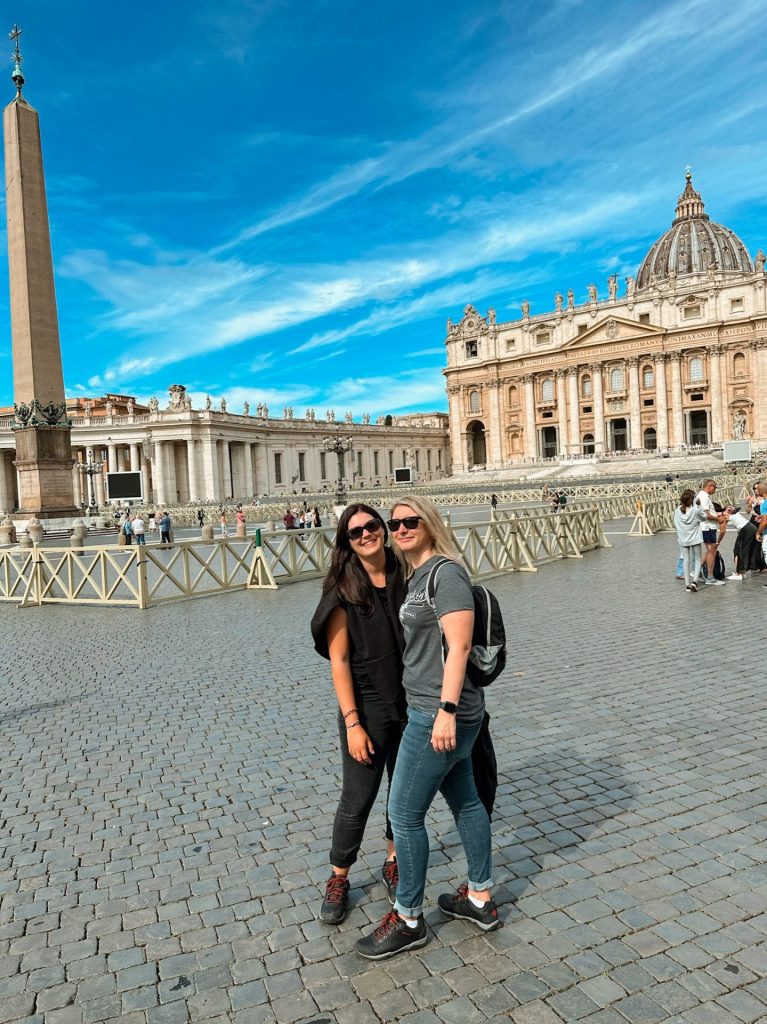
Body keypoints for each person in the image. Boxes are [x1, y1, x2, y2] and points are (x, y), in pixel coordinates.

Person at [355, 495, 498, 961]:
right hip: (443, 711)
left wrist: (446, 710)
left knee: (405, 815)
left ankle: (409, 917)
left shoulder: (446, 573)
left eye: (410, 521)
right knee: (467, 800)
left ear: (430, 523)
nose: (400, 529)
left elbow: (457, 648)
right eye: (394, 523)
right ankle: (479, 898)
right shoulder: (416, 575)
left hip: (438, 714)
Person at [310, 504, 407, 925]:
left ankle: (394, 858)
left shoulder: (407, 574)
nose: (366, 534)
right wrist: (352, 723)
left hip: (412, 700)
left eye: (372, 526)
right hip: (366, 706)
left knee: (401, 793)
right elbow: (339, 660)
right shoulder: (342, 588)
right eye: (355, 532)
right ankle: (339, 875)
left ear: (383, 530)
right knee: (357, 797)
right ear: (346, 542)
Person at [674, 490, 708, 592]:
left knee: (686, 560)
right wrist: (699, 506)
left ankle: (687, 584)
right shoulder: (695, 511)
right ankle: (695, 582)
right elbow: (704, 517)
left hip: (683, 539)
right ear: (692, 500)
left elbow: (675, 523)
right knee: (697, 560)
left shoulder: (677, 511)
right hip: (695, 538)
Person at [695, 479, 725, 585]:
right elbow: (706, 515)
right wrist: (718, 519)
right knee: (712, 551)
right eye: (715, 488)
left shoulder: (701, 496)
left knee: (709, 550)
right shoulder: (704, 497)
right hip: (707, 527)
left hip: (705, 527)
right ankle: (710, 577)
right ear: (710, 486)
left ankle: (696, 572)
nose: (715, 490)